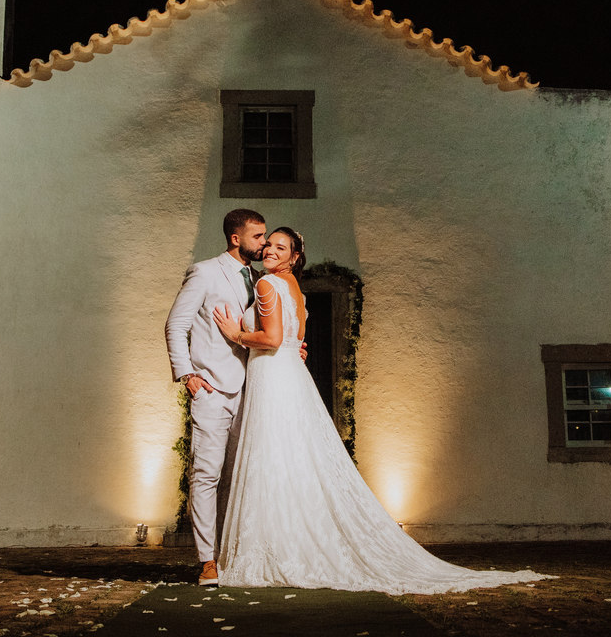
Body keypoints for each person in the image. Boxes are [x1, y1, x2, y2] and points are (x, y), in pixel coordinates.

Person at [212, 227, 553, 594]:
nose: (271, 251)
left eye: (281, 248)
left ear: (295, 257)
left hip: (274, 375)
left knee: (274, 457)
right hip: (291, 374)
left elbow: (274, 338)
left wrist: (236, 334)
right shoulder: (295, 288)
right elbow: (294, 340)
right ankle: (290, 542)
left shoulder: (266, 285)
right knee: (295, 458)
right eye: (269, 245)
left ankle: (275, 548)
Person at [165, 209, 267, 587]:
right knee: (206, 475)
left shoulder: (259, 278)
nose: (265, 243)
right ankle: (207, 560)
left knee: (239, 475)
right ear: (236, 238)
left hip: (254, 388)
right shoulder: (205, 272)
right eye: (258, 236)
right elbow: (176, 324)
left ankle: (233, 553)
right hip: (211, 387)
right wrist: (187, 374)